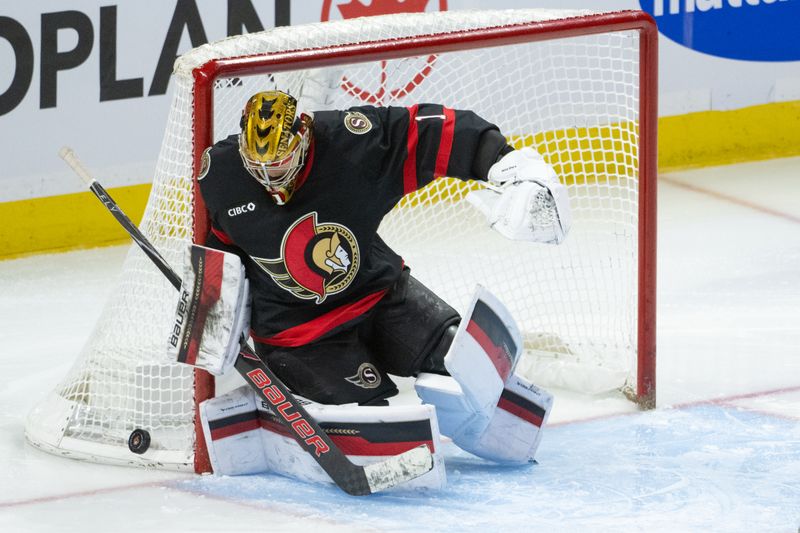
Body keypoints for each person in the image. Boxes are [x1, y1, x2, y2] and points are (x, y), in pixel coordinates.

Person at [195, 90, 570, 408]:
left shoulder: (351, 145)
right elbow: (222, 248)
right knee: (370, 412)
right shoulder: (223, 173)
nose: (267, 178)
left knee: (468, 360)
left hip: (379, 294)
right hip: (299, 334)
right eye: (257, 166)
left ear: (304, 137)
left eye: (279, 164)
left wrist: (504, 160)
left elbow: (429, 132)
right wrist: (213, 313)